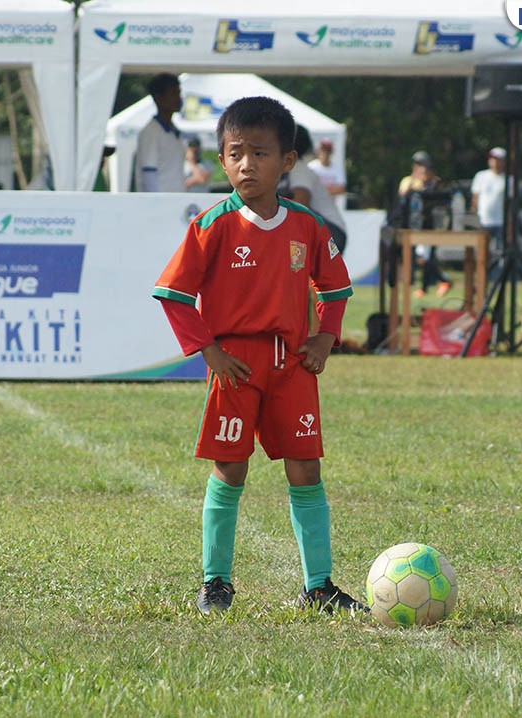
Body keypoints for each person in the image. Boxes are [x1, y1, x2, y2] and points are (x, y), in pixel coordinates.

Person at [151, 96, 365, 616]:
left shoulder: (307, 226)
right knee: (230, 471)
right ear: (222, 161)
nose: (247, 164)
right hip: (237, 366)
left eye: (261, 153)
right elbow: (173, 294)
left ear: (287, 161)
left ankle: (318, 586)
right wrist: (210, 352)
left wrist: (324, 338)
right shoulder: (212, 226)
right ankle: (215, 583)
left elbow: (334, 288)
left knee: (306, 470)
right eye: (236, 153)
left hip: (293, 365)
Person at [280, 125, 348, 253]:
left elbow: (300, 204)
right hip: (326, 230)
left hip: (331, 232)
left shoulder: (297, 168)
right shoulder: (290, 170)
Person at [398, 150, 451, 297]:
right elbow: (403, 198)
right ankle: (439, 281)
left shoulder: (434, 182)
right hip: (413, 226)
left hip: (431, 225)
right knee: (421, 258)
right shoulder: (408, 181)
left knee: (426, 258)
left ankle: (434, 284)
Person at [135, 73, 185, 193]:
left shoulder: (174, 131)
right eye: (173, 93)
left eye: (178, 93)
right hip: (159, 205)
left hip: (175, 201)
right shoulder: (150, 132)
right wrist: (158, 203)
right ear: (158, 98)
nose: (178, 98)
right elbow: (148, 174)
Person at [470, 146, 506, 251]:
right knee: (482, 250)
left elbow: (511, 202)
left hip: (501, 221)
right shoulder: (481, 176)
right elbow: (475, 197)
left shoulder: (508, 179)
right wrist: (474, 214)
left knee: (500, 249)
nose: (494, 162)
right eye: (492, 159)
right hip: (483, 220)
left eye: (497, 159)